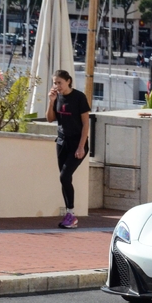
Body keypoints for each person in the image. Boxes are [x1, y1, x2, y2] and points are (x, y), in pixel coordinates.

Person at [45, 70, 91, 229]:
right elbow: (50, 118)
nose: (57, 86)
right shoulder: (56, 97)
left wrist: (81, 147)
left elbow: (86, 124)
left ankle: (71, 213)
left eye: (60, 82)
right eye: (55, 83)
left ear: (68, 81)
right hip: (62, 142)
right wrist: (51, 102)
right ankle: (69, 214)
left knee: (65, 176)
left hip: (77, 143)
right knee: (64, 179)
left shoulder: (79, 97)